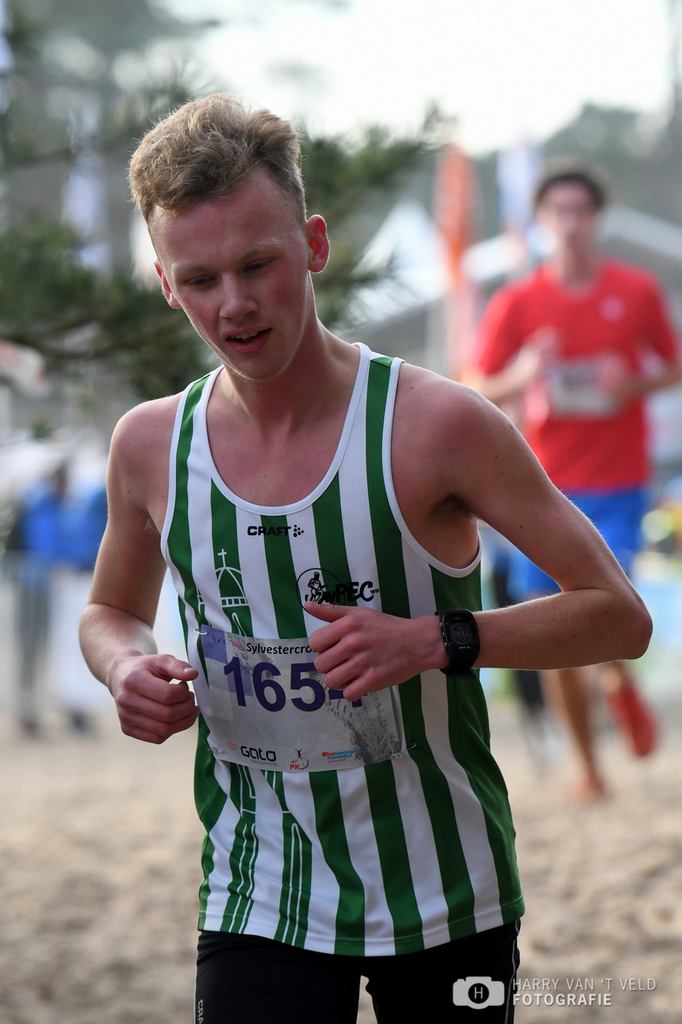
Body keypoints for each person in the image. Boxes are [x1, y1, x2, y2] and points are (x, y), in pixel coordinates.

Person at [78, 98, 650, 1023]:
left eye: (257, 264)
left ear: (313, 244)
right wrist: (123, 668)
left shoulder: (438, 424)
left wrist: (435, 640)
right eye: (201, 278)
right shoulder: (149, 446)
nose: (235, 303)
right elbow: (110, 611)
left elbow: (619, 615)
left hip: (446, 890)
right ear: (165, 284)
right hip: (258, 889)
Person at [468, 160, 681, 799]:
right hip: (542, 487)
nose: (569, 224)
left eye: (580, 211)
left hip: (619, 482)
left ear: (596, 219)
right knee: (551, 627)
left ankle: (616, 678)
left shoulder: (636, 290)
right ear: (541, 222)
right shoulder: (517, 302)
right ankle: (589, 769)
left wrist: (633, 382)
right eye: (557, 212)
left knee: (605, 604)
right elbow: (474, 385)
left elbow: (673, 366)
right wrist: (524, 373)